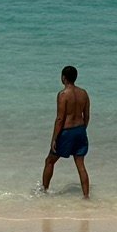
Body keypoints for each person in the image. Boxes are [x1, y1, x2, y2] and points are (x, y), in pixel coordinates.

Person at [41, 65, 91, 199]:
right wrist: (82, 130)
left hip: (66, 132)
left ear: (63, 78)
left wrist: (54, 138)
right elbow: (87, 116)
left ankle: (44, 191)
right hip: (80, 130)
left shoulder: (63, 95)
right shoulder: (84, 93)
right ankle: (86, 196)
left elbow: (60, 119)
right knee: (80, 165)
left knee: (50, 161)